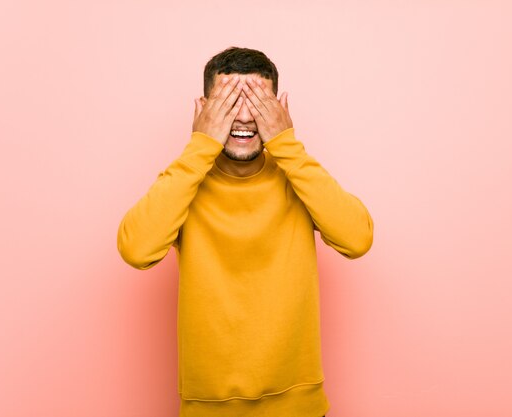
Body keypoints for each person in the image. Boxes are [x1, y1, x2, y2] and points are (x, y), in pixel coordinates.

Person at [117, 46, 373, 417]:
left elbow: (357, 239)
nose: (243, 117)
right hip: (208, 406)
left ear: (279, 110)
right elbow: (136, 250)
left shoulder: (297, 176)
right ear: (204, 109)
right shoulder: (186, 181)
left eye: (256, 102)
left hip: (298, 404)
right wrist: (199, 148)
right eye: (229, 102)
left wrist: (286, 144)